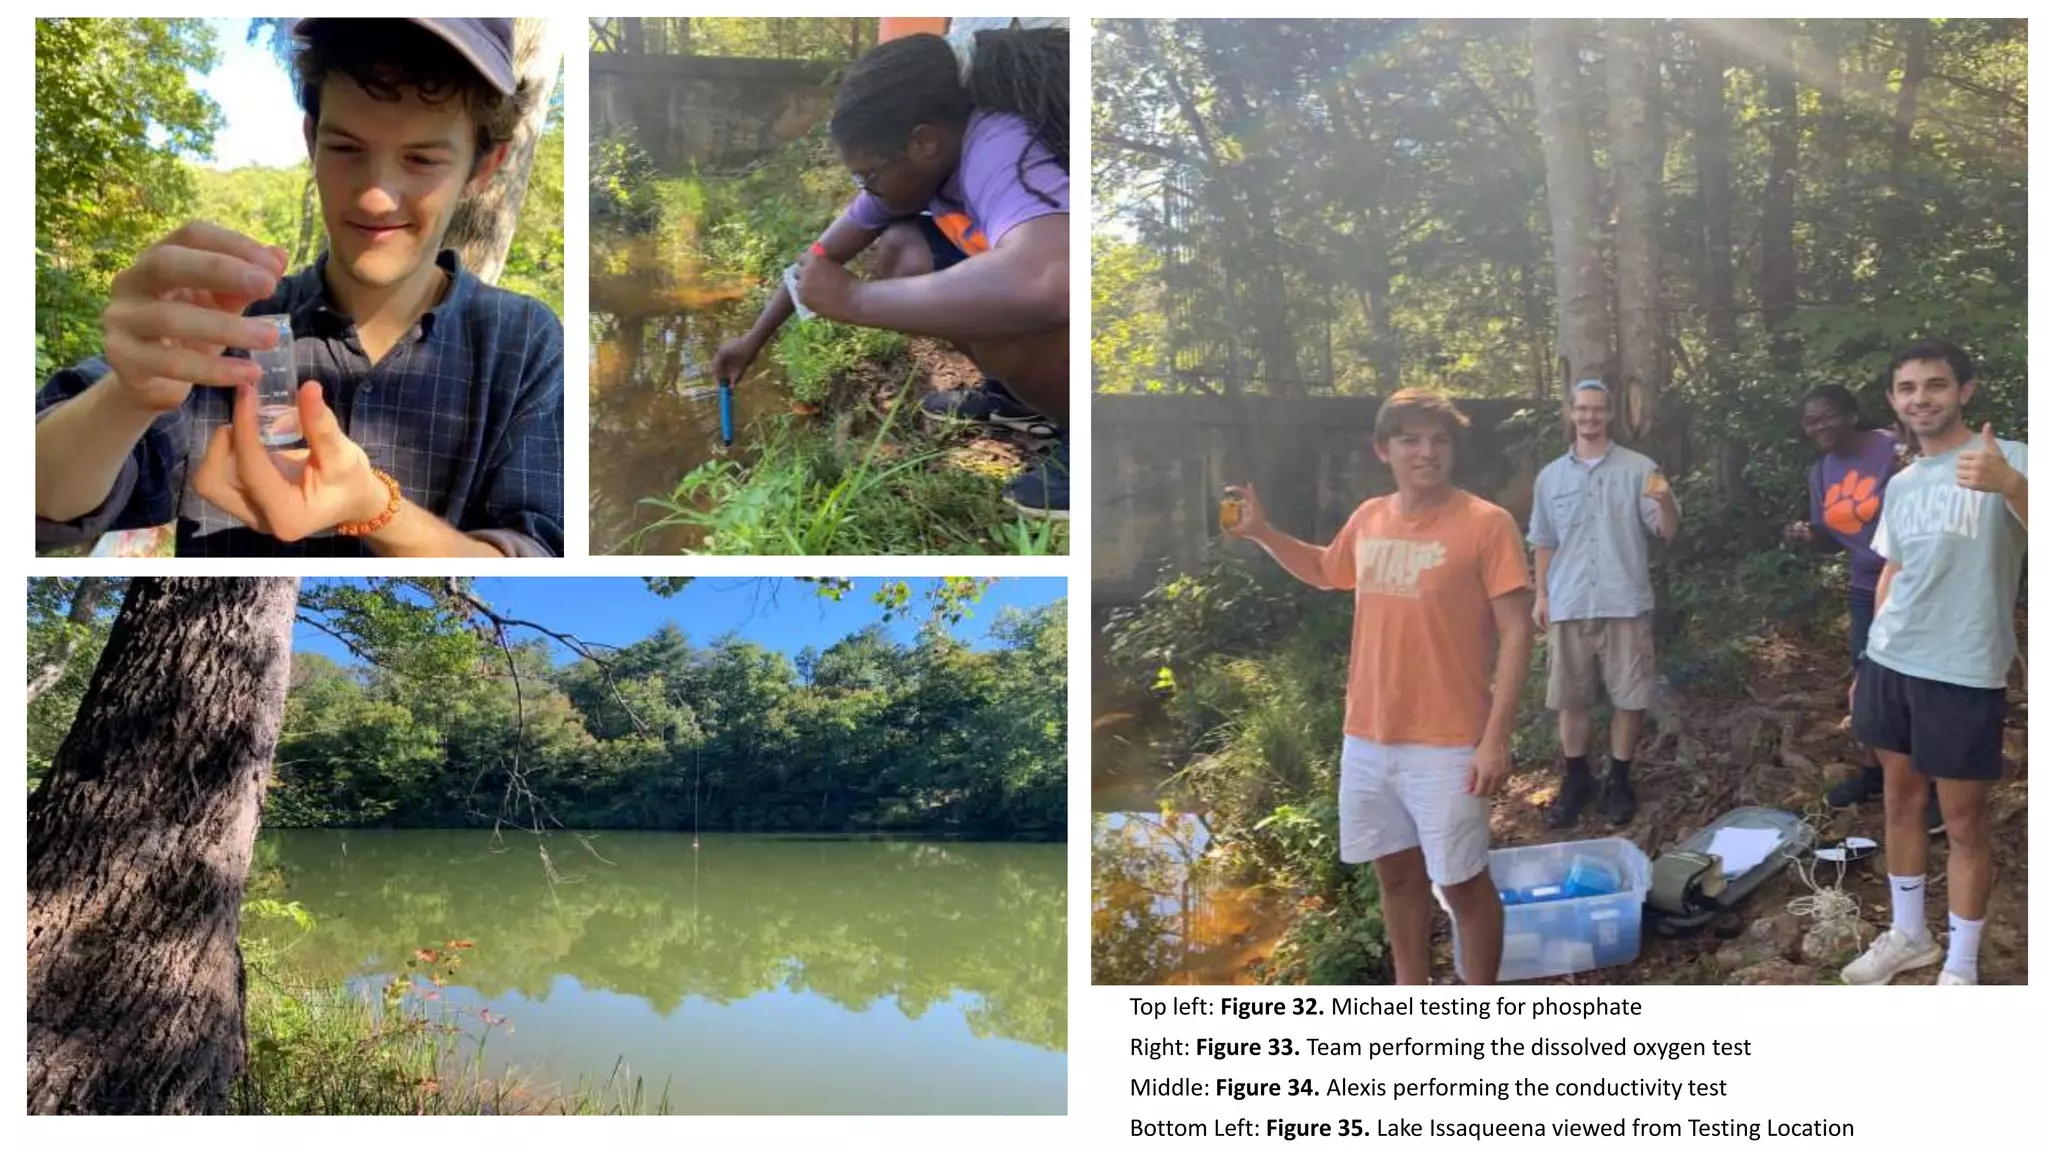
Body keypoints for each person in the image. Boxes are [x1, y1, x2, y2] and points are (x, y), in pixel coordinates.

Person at [34, 18, 564, 557]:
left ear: (484, 165)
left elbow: (537, 556)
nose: (376, 197)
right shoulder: (228, 323)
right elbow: (37, 503)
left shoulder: (523, 342)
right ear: (312, 139)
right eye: (347, 149)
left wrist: (373, 509)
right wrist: (128, 396)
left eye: (422, 159)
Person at [1224, 389, 1534, 985]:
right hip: (1367, 739)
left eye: (1439, 440)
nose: (1427, 453)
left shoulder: (1486, 524)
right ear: (1383, 450)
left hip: (1451, 743)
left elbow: (1518, 634)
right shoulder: (1369, 517)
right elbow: (1324, 571)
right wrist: (1263, 532)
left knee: (1463, 885)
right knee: (1395, 876)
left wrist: (1496, 738)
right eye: (1411, 440)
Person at [709, 27, 1070, 520]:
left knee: (982, 304)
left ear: (923, 142)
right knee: (904, 248)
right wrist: (752, 339)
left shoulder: (998, 147)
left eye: (869, 176)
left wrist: (854, 300)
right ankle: (1014, 399)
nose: (865, 190)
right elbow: (816, 257)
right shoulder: (921, 167)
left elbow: (1047, 279)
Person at [1842, 339, 2025, 986]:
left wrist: (2013, 488)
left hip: (1964, 667)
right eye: (1909, 388)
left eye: (1936, 385)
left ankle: (1963, 965)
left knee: (1965, 822)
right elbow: (1894, 568)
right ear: (1894, 401)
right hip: (1892, 662)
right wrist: (1866, 659)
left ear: (1965, 391)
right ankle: (1909, 935)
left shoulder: (2015, 461)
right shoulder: (1902, 482)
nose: (1922, 398)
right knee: (1898, 801)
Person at [1781, 385, 1942, 834]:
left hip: (1913, 582)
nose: (1819, 426)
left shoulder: (1890, 445)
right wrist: (1809, 539)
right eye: (1811, 421)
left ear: (1850, 413)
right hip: (1864, 586)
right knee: (1868, 682)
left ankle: (1929, 788)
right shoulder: (1821, 471)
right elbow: (1833, 538)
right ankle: (1874, 772)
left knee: (1914, 682)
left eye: (1827, 415)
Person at [1528, 380, 1679, 828]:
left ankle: (1619, 781)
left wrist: (1666, 500)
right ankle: (1577, 781)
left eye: (1598, 409)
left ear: (1609, 414)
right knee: (1570, 700)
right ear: (1571, 414)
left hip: (1624, 600)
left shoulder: (1641, 468)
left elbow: (1667, 531)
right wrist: (1541, 594)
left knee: (1628, 699)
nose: (1590, 417)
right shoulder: (1550, 477)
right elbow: (1542, 540)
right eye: (1582, 409)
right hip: (1569, 601)